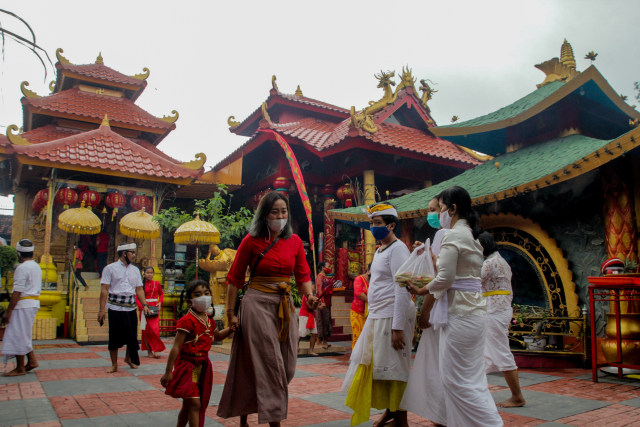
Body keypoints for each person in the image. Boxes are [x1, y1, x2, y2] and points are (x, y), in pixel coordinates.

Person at [217, 191, 318, 427]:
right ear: (264, 215)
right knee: (270, 362)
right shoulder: (250, 241)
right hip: (257, 304)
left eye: (284, 211)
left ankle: (249, 409)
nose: (280, 216)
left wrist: (310, 297)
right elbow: (235, 279)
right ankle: (274, 421)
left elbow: (303, 275)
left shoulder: (294, 242)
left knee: (287, 365)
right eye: (275, 211)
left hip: (284, 306)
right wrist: (230, 315)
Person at [406, 186, 503, 427]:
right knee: (473, 380)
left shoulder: (451, 236)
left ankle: (491, 424)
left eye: (439, 209)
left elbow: (445, 279)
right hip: (475, 315)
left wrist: (420, 290)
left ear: (453, 209)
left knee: (455, 381)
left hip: (459, 315)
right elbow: (460, 273)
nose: (438, 214)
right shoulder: (471, 236)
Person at [342, 202, 415, 427]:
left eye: (378, 223)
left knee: (394, 369)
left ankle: (401, 419)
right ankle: (391, 412)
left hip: (392, 317)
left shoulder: (398, 249)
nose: (373, 227)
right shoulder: (381, 249)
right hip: (377, 315)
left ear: (391, 225)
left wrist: (397, 327)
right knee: (380, 367)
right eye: (372, 223)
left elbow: (402, 288)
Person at [161, 279, 236, 427]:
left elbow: (218, 336)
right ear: (190, 301)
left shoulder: (209, 320)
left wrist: (231, 329)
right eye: (198, 294)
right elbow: (176, 347)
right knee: (195, 404)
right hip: (187, 367)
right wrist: (168, 372)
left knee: (188, 406)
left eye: (206, 293)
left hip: (203, 367)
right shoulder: (186, 321)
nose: (203, 297)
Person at [479, 231, 525, 408]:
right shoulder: (501, 261)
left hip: (494, 310)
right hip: (498, 309)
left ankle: (517, 396)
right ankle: (479, 394)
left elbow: (472, 281)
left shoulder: (490, 263)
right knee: (486, 353)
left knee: (501, 351)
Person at [98, 243, 150, 373]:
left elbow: (139, 289)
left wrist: (145, 305)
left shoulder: (135, 270)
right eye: (131, 252)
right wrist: (101, 309)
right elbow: (104, 289)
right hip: (115, 307)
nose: (134, 255)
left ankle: (128, 358)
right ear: (124, 253)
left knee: (132, 336)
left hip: (131, 306)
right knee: (114, 336)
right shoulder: (110, 269)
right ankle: (114, 364)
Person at [1, 239, 41, 376]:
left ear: (19, 254)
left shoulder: (22, 268)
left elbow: (17, 291)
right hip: (31, 303)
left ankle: (20, 367)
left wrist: (9, 311)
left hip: (23, 304)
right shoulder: (36, 266)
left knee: (18, 333)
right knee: (23, 333)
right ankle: (31, 361)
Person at [136, 266, 166, 358]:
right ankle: (149, 351)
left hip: (154, 308)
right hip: (144, 308)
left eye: (151, 272)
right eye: (147, 272)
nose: (149, 274)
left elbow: (161, 294)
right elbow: (136, 297)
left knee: (155, 330)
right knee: (146, 331)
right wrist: (142, 307)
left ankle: (156, 350)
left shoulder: (156, 283)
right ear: (144, 274)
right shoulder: (140, 285)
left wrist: (160, 303)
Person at [350, 263, 370, 349]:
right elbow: (359, 293)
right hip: (357, 312)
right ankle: (355, 358)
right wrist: (372, 301)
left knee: (367, 337)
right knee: (357, 336)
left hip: (368, 313)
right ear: (368, 270)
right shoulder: (359, 279)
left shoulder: (373, 280)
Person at [315, 260, 333, 349]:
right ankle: (320, 341)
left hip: (328, 300)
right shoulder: (319, 276)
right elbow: (319, 290)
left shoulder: (326, 276)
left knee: (326, 320)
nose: (329, 268)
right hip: (322, 301)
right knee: (322, 320)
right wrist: (322, 302)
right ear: (323, 267)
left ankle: (324, 341)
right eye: (328, 266)